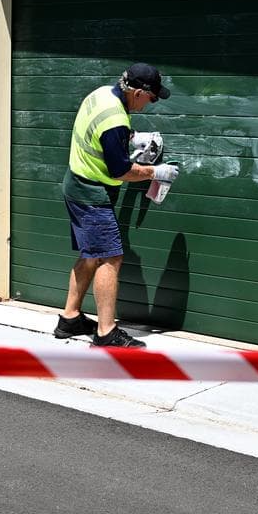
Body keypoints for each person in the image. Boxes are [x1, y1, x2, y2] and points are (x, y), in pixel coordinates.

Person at [55, 63, 179, 348]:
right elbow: (119, 171)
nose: (151, 103)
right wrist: (154, 172)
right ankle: (106, 332)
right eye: (151, 98)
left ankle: (69, 319)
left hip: (75, 183)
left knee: (90, 255)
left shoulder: (101, 95)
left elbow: (101, 134)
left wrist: (131, 138)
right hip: (92, 194)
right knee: (110, 258)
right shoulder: (115, 120)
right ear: (137, 92)